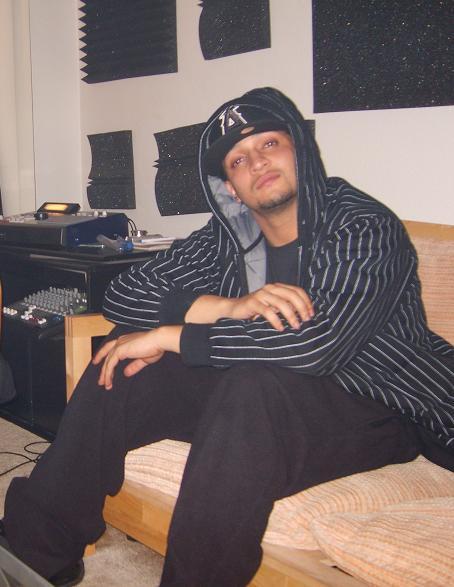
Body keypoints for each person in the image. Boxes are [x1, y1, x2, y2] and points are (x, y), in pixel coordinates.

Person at [1, 87, 453, 587]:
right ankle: (33, 549)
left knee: (248, 386)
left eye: (269, 144)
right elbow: (124, 293)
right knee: (122, 355)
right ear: (231, 188)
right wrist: (228, 307)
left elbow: (315, 345)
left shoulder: (363, 227)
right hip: (264, 391)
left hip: (379, 404)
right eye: (238, 160)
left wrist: (173, 337)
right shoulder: (226, 237)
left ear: (301, 149)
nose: (257, 162)